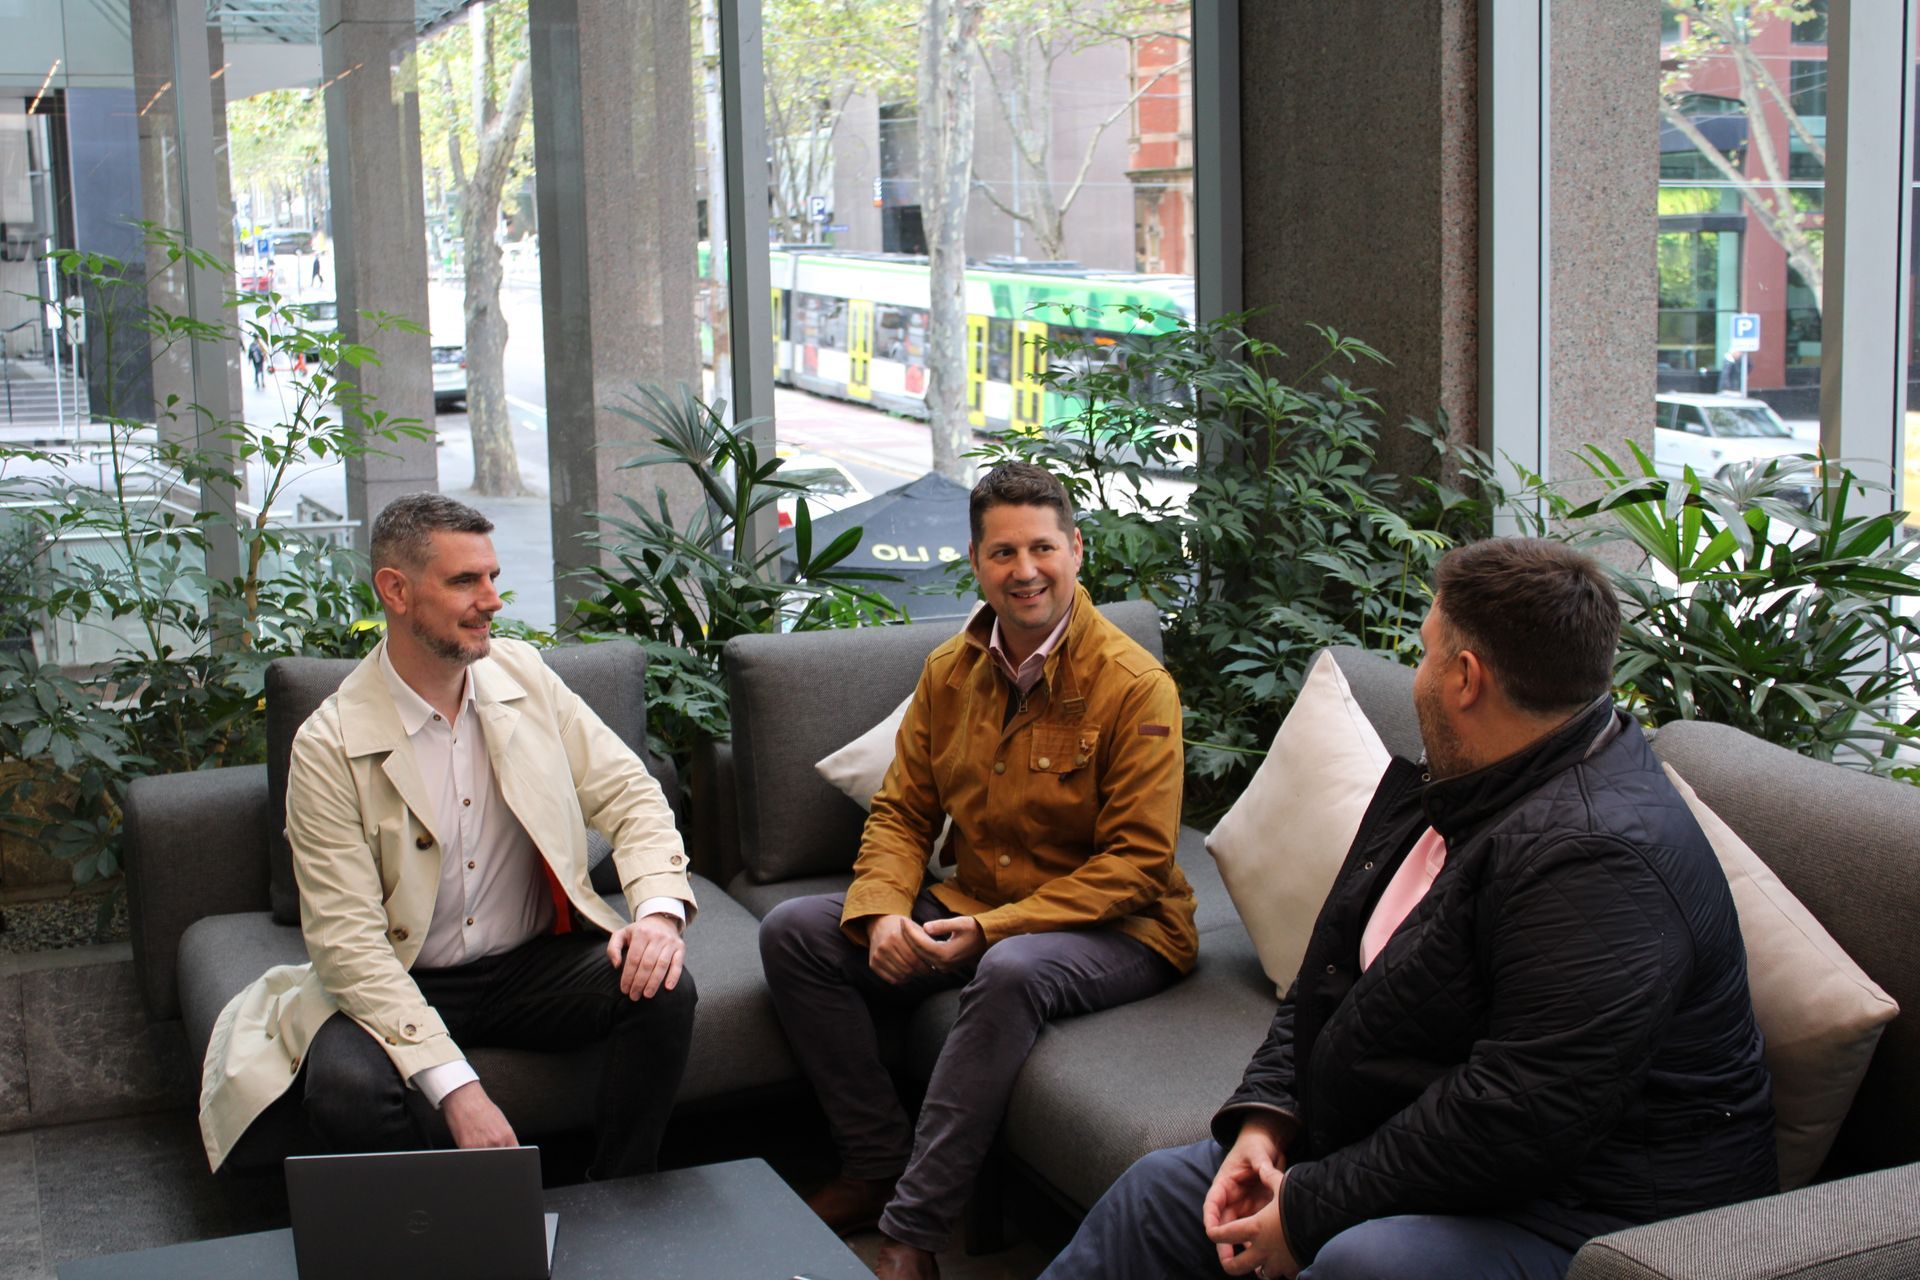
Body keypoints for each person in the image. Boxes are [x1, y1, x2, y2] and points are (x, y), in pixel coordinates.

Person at [1042, 538, 1776, 1280]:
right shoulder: (1465, 787)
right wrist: (1267, 1119)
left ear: (1466, 678)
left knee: (1365, 1263)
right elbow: (1326, 971)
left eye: (1424, 654)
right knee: (1159, 1196)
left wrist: (1310, 1208)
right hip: (1417, 1145)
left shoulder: (1599, 858)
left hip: (1598, 1208)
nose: (1416, 674)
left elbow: (1517, 1115)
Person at [759, 462, 1198, 1280]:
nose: (1024, 570)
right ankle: (874, 1161)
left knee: (1008, 969)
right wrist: (886, 910)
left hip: (1120, 928)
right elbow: (902, 812)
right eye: (1003, 553)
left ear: (1075, 550)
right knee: (797, 933)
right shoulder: (949, 671)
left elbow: (1137, 866)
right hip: (976, 903)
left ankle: (914, 1233)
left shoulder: (1136, 685)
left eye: (1041, 548)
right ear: (975, 561)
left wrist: (990, 930)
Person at [198, 493, 698, 1179]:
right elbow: (346, 943)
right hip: (402, 974)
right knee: (346, 1090)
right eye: (465, 580)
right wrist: (457, 1087)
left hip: (530, 964)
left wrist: (659, 916)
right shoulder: (329, 743)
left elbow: (630, 793)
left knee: (663, 988)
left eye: (492, 576)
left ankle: (614, 1202)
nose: (491, 599)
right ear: (395, 591)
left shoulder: (523, 675)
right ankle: (446, 1234)